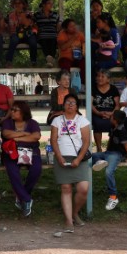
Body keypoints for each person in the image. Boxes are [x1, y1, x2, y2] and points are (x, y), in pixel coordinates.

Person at [49, 93, 91, 233]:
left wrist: (78, 159)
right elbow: (53, 140)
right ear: (64, 104)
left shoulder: (82, 121)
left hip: (79, 157)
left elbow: (86, 142)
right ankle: (68, 220)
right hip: (62, 156)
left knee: (83, 188)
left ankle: (74, 213)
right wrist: (59, 157)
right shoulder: (56, 121)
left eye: (73, 102)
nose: (70, 105)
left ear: (77, 106)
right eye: (68, 102)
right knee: (66, 188)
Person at [0, 101, 42, 217]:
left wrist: (17, 138)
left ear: (23, 112)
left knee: (36, 169)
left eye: (15, 110)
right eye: (11, 110)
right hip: (12, 153)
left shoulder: (32, 123)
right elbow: (6, 134)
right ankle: (27, 199)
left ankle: (21, 196)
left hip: (31, 152)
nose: (12, 112)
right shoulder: (8, 122)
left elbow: (36, 136)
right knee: (13, 172)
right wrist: (24, 134)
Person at [90, 110, 127, 211]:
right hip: (108, 153)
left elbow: (126, 145)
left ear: (115, 120)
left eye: (112, 116)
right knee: (92, 156)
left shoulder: (121, 130)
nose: (110, 117)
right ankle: (100, 161)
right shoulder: (113, 127)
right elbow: (110, 140)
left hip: (116, 155)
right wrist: (106, 151)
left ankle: (113, 197)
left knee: (109, 172)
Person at [91, 69, 120, 152]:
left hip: (111, 112)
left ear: (108, 79)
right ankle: (99, 148)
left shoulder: (113, 89)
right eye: (98, 76)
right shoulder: (93, 88)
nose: (99, 78)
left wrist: (111, 114)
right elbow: (90, 104)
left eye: (102, 76)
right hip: (97, 112)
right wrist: (98, 113)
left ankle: (109, 148)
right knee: (97, 123)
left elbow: (117, 105)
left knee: (114, 123)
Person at [5, 0, 38, 67]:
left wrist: (21, 14)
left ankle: (33, 61)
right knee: (13, 40)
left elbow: (27, 24)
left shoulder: (28, 13)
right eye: (15, 3)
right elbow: (9, 28)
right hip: (16, 34)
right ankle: (9, 61)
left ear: (23, 4)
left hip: (28, 33)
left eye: (19, 3)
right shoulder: (10, 15)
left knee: (33, 42)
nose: (17, 5)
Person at [34, 0, 60, 66]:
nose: (51, 5)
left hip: (53, 34)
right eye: (49, 3)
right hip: (42, 34)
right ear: (43, 5)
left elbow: (58, 25)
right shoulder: (37, 15)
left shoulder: (55, 14)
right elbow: (33, 25)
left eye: (52, 3)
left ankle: (49, 60)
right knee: (43, 39)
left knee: (53, 40)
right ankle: (51, 60)